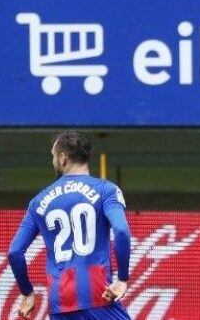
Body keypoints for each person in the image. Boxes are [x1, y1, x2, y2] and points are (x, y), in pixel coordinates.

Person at [7, 130, 132, 320]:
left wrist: (27, 292)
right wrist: (122, 279)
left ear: (63, 158)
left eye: (53, 156)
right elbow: (121, 230)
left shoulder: (38, 202)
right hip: (98, 293)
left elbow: (15, 252)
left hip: (60, 300)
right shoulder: (106, 190)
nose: (53, 161)